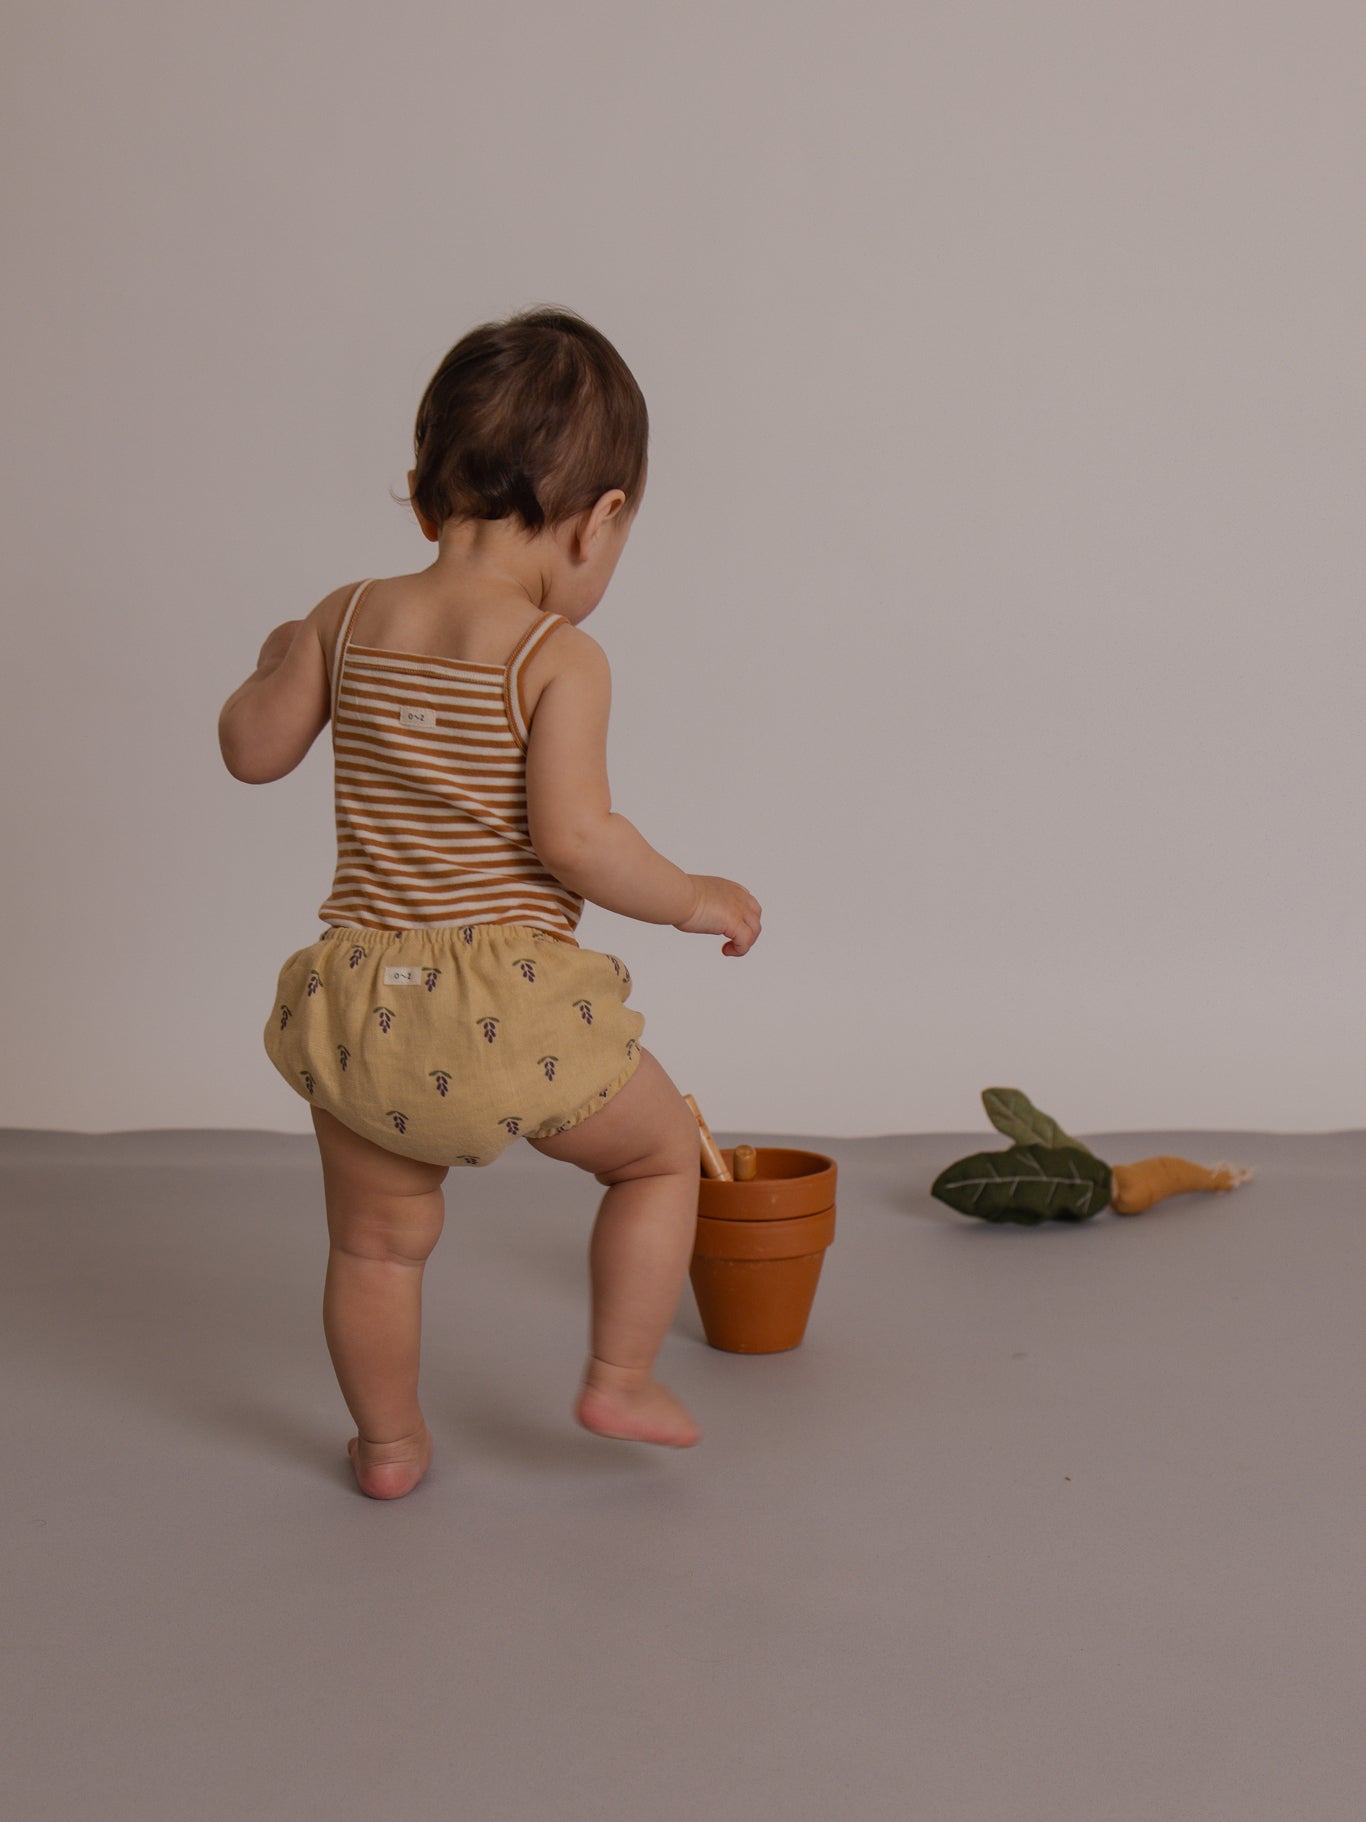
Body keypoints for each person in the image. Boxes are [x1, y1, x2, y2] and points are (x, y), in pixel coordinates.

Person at [218, 306, 763, 1499]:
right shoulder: (553, 657)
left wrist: (276, 661)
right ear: (599, 520)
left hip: (366, 1005)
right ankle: (617, 1374)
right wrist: (693, 897)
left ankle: (389, 1446)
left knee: (373, 1246)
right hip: (508, 1012)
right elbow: (578, 842)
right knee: (660, 1161)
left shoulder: (346, 616)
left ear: (420, 495)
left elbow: (250, 753)